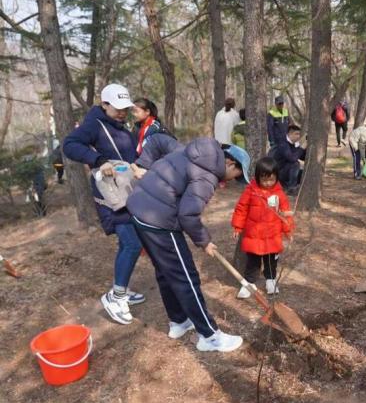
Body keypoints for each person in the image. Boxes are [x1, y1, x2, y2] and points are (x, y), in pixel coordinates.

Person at [126, 139, 250, 352]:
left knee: (166, 272)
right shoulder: (208, 175)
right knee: (186, 277)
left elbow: (161, 146)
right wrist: (204, 241)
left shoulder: (194, 151)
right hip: (159, 219)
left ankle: (179, 321)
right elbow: (188, 214)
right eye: (237, 175)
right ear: (230, 163)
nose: (232, 181)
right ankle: (210, 336)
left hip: (139, 209)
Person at [63, 83, 145, 325]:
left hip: (128, 190)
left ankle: (123, 287)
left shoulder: (119, 126)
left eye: (125, 108)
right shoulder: (94, 124)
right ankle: (116, 297)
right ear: (104, 104)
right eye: (117, 107)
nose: (122, 112)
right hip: (110, 195)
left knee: (127, 243)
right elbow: (70, 145)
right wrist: (97, 159)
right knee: (132, 242)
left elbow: (129, 154)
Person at [231, 157, 294, 298]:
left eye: (271, 179)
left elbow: (285, 214)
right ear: (257, 177)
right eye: (264, 180)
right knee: (252, 262)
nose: (267, 183)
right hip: (254, 235)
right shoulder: (250, 191)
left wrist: (288, 231)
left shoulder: (279, 194)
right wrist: (237, 227)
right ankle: (249, 283)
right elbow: (241, 209)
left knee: (271, 261)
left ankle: (270, 281)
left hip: (273, 235)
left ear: (276, 177)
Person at [272, 125, 305, 195]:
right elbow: (292, 158)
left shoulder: (295, 144)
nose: (298, 136)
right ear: (290, 134)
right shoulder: (283, 144)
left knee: (303, 173)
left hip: (286, 171)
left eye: (299, 134)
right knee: (295, 164)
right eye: (296, 134)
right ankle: (291, 188)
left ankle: (295, 187)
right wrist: (301, 148)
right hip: (278, 173)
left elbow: (302, 157)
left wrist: (305, 148)